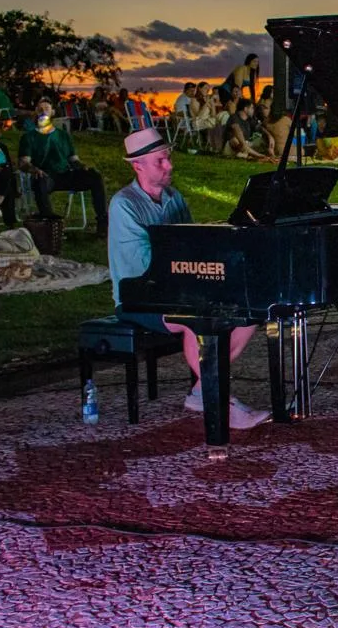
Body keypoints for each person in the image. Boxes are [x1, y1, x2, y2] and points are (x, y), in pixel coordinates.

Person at [107, 128, 270, 429]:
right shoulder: (124, 204)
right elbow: (142, 264)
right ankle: (219, 400)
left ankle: (200, 389)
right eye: (160, 161)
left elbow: (193, 244)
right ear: (137, 165)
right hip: (138, 298)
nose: (169, 166)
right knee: (195, 319)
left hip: (177, 288)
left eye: (168, 158)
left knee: (248, 314)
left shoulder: (174, 198)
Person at [18, 110, 109, 235]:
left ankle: (103, 222)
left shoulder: (63, 135)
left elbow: (73, 159)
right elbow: (23, 163)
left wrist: (82, 166)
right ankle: (50, 223)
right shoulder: (29, 137)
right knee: (40, 180)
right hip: (45, 176)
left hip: (66, 174)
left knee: (95, 176)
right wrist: (34, 169)